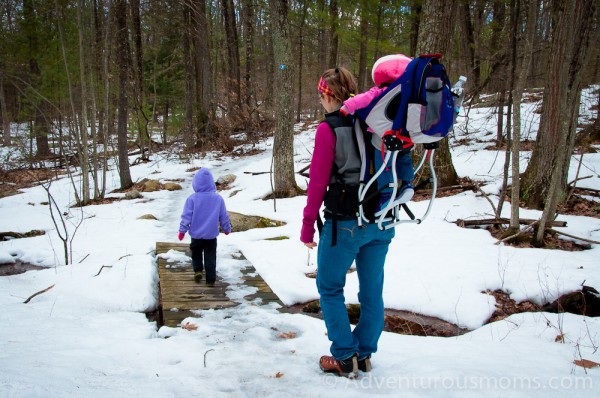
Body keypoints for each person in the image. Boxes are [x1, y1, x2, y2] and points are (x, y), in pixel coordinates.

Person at [300, 67, 397, 379]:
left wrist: (306, 224)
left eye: (321, 94)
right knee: (372, 292)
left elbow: (317, 184)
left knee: (329, 287)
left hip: (345, 221)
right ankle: (364, 355)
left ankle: (344, 357)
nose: (320, 100)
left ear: (328, 94)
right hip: (381, 219)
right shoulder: (375, 119)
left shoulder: (329, 128)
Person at [340, 54, 415, 209]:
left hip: (383, 137)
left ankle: (386, 194)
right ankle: (407, 184)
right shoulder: (411, 94)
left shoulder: (381, 91)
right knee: (404, 158)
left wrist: (346, 108)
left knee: (384, 164)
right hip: (406, 137)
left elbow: (361, 99)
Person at [178, 168, 231, 287]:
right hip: (211, 236)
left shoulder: (192, 199)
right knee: (210, 256)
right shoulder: (218, 199)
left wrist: (182, 231)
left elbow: (186, 217)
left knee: (196, 253)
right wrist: (226, 228)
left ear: (195, 183)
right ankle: (210, 279)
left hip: (196, 235)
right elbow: (223, 216)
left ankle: (197, 270)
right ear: (211, 183)